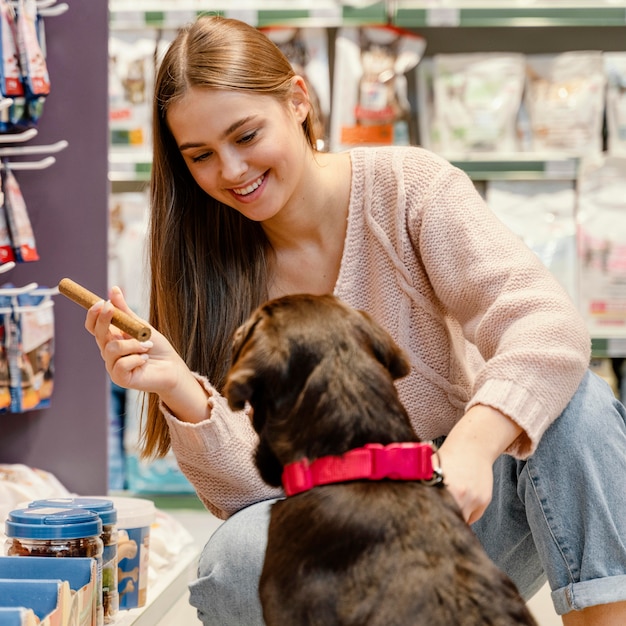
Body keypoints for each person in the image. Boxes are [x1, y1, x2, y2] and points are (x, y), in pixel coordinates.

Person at [86, 15, 626, 626]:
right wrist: (180, 388)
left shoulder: (407, 188)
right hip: (334, 537)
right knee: (233, 561)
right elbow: (250, 498)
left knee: (577, 403)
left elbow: (547, 324)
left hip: (464, 505)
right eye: (201, 155)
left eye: (246, 135)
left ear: (297, 100)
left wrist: (475, 445)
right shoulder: (201, 262)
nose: (232, 171)